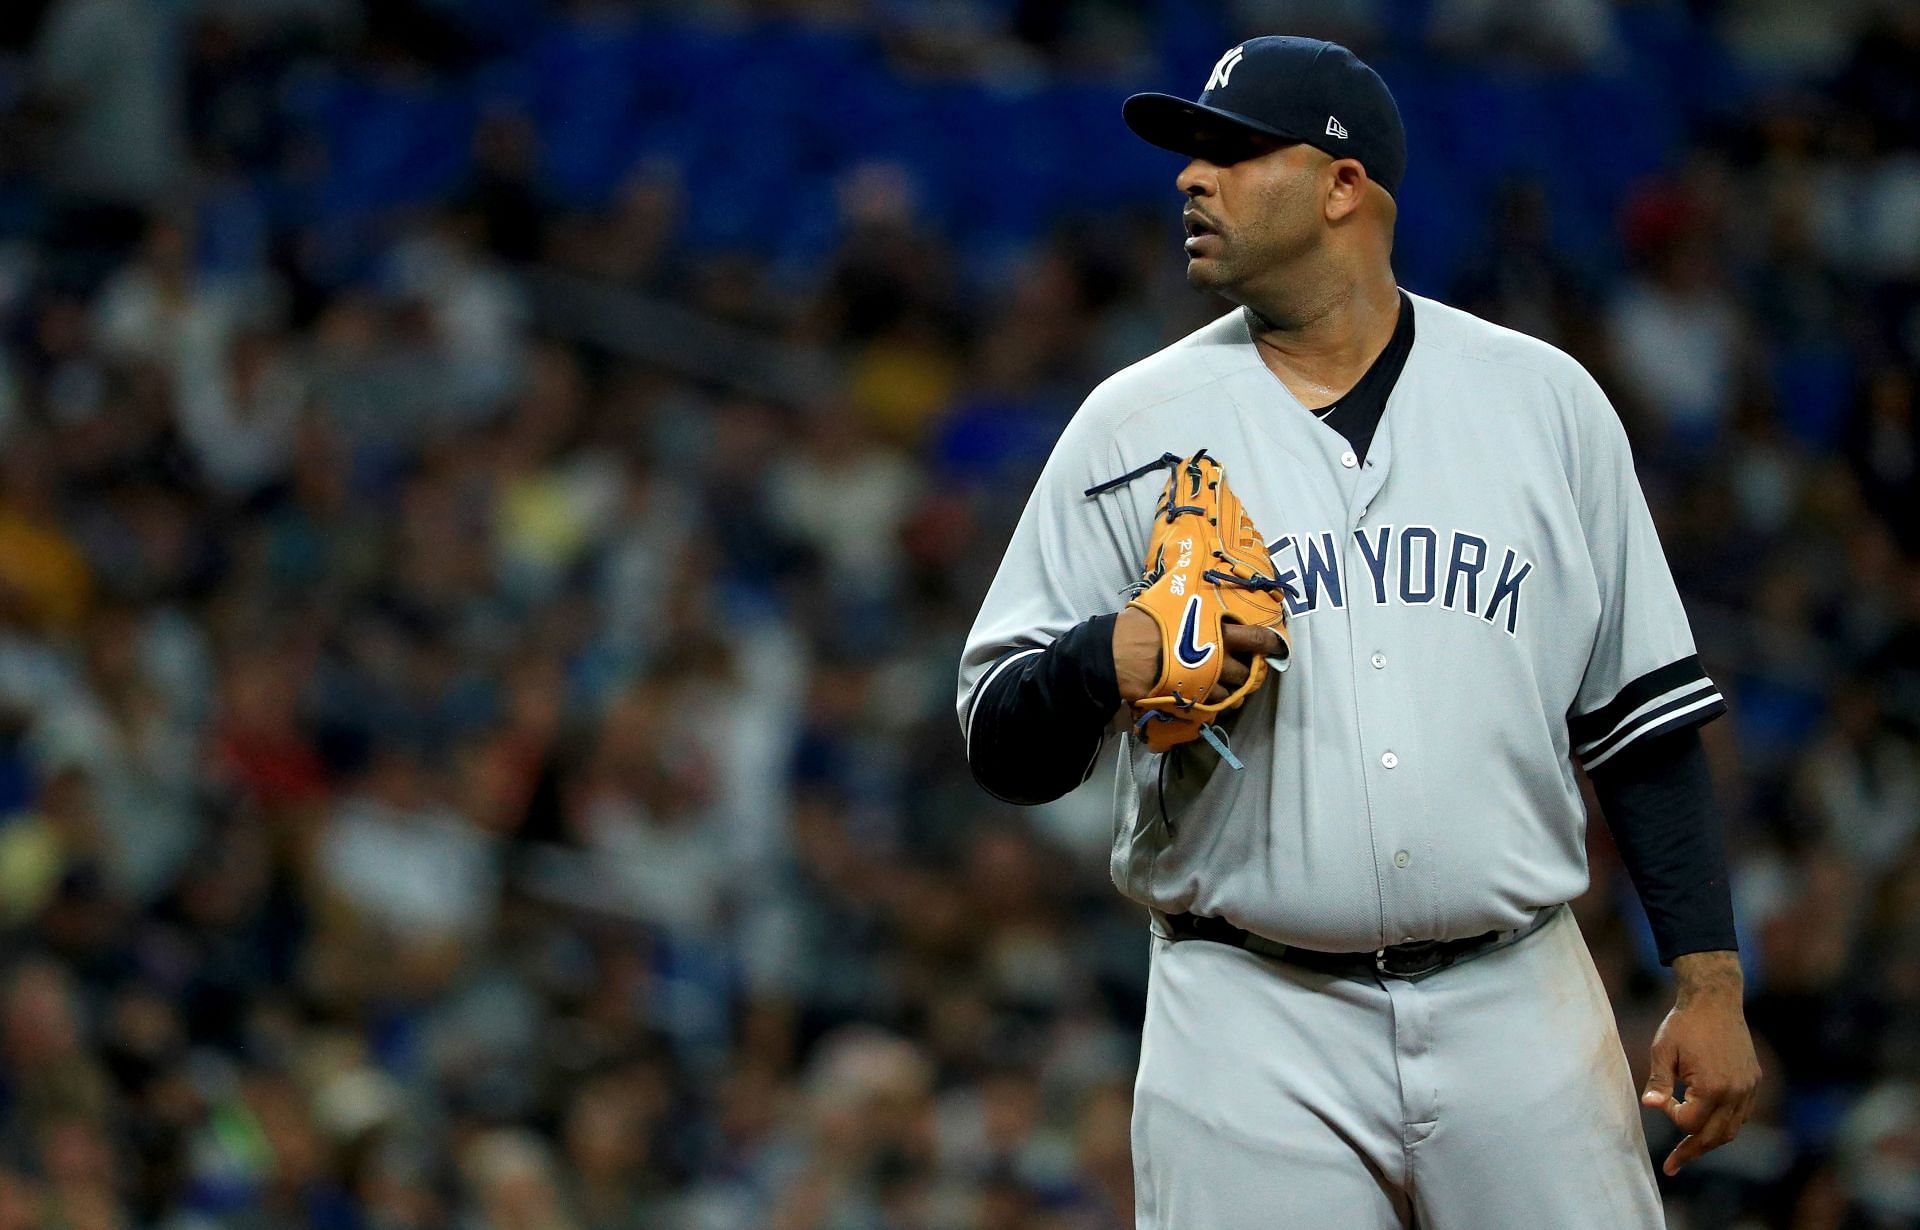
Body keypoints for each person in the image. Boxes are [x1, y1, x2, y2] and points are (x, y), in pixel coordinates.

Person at [956, 36, 1760, 1229]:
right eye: (1190, 156)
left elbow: (1637, 722)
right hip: (1244, 1013)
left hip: (1518, 1001)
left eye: (1230, 152)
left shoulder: (1542, 403)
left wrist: (1709, 980)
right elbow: (994, 736)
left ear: (1344, 186)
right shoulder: (1129, 425)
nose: (1191, 177)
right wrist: (1098, 661)